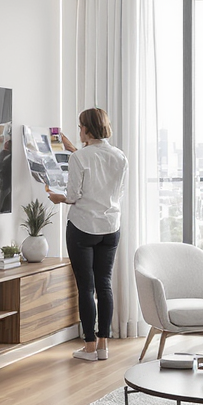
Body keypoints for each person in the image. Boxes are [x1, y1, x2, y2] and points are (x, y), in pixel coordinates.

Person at [47, 108, 128, 361]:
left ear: (88, 129)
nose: (79, 130)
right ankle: (103, 346)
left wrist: (58, 198)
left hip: (83, 228)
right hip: (110, 228)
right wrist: (74, 150)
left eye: (81, 126)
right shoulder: (120, 156)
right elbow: (108, 185)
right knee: (104, 285)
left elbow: (72, 196)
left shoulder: (80, 158)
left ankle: (89, 346)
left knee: (86, 288)